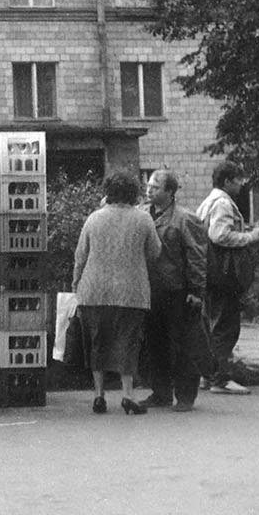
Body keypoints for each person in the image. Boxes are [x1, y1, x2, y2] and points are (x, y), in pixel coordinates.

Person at [72, 170, 162, 415]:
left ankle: (99, 396)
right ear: (134, 193)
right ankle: (127, 395)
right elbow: (155, 252)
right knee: (128, 344)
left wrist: (75, 284)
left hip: (94, 291)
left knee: (97, 342)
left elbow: (80, 256)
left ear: (107, 192)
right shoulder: (143, 219)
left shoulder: (94, 219)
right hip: (131, 292)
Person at [197, 160, 259, 395]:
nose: (241, 184)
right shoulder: (222, 203)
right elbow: (220, 235)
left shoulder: (209, 201)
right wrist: (250, 237)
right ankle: (221, 378)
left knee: (212, 323)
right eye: (238, 180)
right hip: (224, 273)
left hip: (211, 272)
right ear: (227, 181)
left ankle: (208, 375)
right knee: (226, 326)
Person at [140, 169, 208, 413]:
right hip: (150, 289)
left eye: (155, 187)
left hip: (178, 290)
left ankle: (186, 396)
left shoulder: (185, 218)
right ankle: (161, 392)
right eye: (148, 186)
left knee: (182, 344)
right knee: (155, 343)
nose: (149, 190)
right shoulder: (141, 214)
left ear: (170, 192)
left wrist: (196, 290)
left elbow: (197, 256)